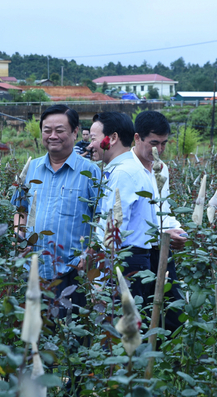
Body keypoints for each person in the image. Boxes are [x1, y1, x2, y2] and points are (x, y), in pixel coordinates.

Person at [12, 105, 100, 314]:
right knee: (34, 335)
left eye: (60, 130)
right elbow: (20, 209)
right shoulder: (32, 169)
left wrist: (90, 253)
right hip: (33, 271)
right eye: (47, 130)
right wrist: (18, 233)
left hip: (71, 272)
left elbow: (103, 219)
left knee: (70, 337)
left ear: (75, 131)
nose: (53, 136)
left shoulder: (90, 172)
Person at [88, 111, 157, 301]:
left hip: (125, 262)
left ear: (113, 138)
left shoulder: (123, 173)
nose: (90, 144)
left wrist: (100, 280)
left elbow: (114, 229)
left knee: (120, 324)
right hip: (133, 259)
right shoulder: (131, 169)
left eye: (94, 138)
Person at [132, 110, 186, 331]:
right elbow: (128, 223)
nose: (159, 150)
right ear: (137, 138)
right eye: (154, 143)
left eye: (164, 143)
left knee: (173, 312)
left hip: (162, 250)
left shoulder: (162, 169)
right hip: (136, 252)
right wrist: (163, 233)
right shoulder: (127, 170)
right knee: (141, 312)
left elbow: (164, 209)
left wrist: (178, 230)